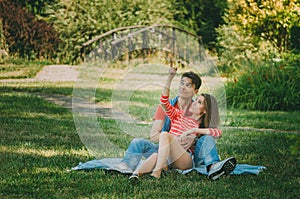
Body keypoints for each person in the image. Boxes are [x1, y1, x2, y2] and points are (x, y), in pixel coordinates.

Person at [113, 67, 235, 181]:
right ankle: (130, 170)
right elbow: (163, 104)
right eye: (181, 83)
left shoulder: (199, 123)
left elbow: (216, 133)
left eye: (188, 85)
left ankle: (212, 166)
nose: (183, 87)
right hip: (165, 150)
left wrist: (193, 132)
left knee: (169, 135)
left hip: (183, 157)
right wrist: (170, 77)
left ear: (195, 91)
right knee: (140, 143)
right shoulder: (177, 113)